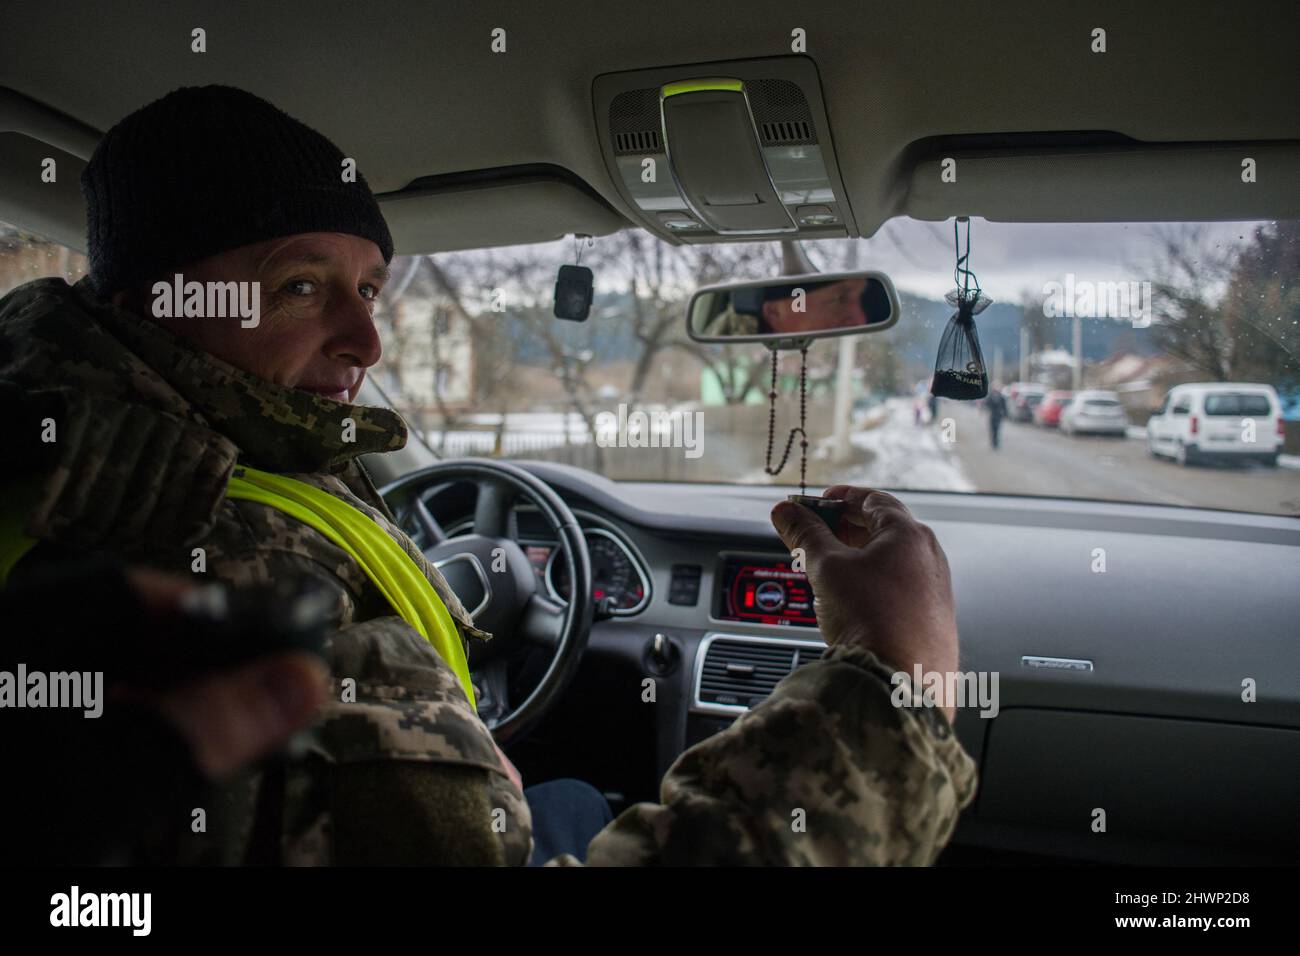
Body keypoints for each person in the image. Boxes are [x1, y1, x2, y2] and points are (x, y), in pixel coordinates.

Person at [0, 85, 975, 865]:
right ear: (153, 295)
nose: (368, 338)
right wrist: (897, 678)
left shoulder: (102, 452)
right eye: (301, 285)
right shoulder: (212, 564)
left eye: (371, 287)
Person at [987, 385, 1008, 450]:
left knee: (997, 429)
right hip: (992, 416)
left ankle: (996, 443)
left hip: (998, 416)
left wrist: (1005, 414)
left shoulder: (1002, 398)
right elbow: (987, 404)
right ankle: (993, 442)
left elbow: (1005, 407)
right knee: (993, 430)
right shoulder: (990, 397)